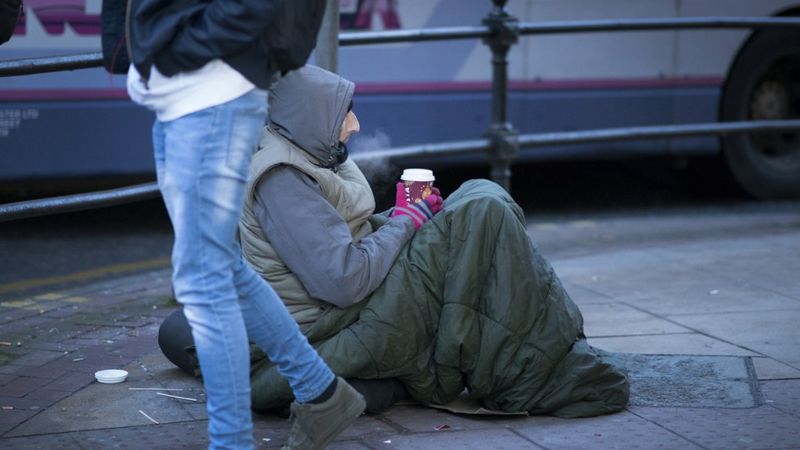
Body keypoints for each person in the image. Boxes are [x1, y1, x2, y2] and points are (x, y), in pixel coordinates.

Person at [160, 65, 630, 418]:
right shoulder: (281, 179)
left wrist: (405, 219)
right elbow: (342, 281)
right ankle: (532, 368)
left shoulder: (304, 153)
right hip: (338, 317)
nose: (355, 124)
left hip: (357, 296)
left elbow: (343, 239)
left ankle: (543, 347)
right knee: (483, 209)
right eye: (345, 113)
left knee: (476, 201)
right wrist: (407, 221)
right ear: (312, 118)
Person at [124, 3, 365, 449]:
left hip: (208, 89)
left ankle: (232, 442)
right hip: (185, 89)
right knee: (217, 266)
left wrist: (176, 51)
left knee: (202, 279)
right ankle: (321, 391)